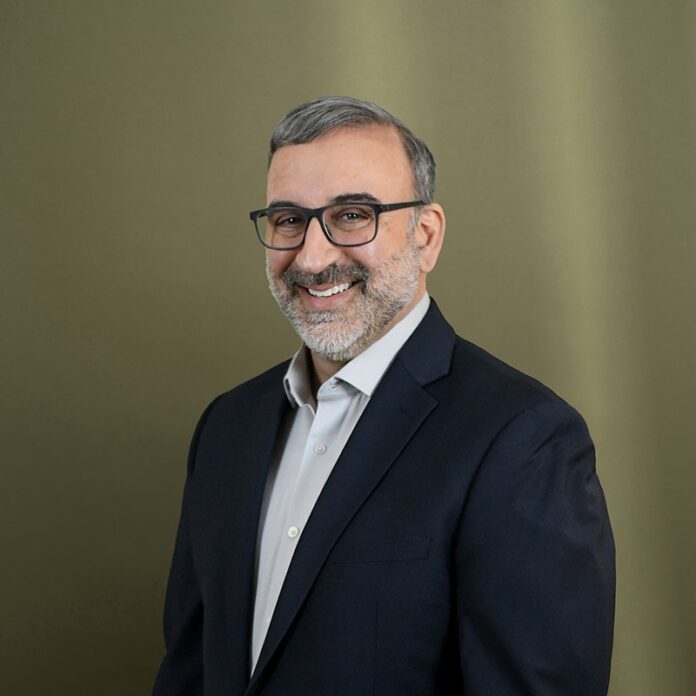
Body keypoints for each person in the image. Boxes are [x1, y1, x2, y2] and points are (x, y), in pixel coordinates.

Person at [152, 96, 615, 695]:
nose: (312, 256)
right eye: (288, 219)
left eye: (352, 215)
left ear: (426, 235)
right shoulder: (226, 427)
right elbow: (188, 674)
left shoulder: (523, 439)